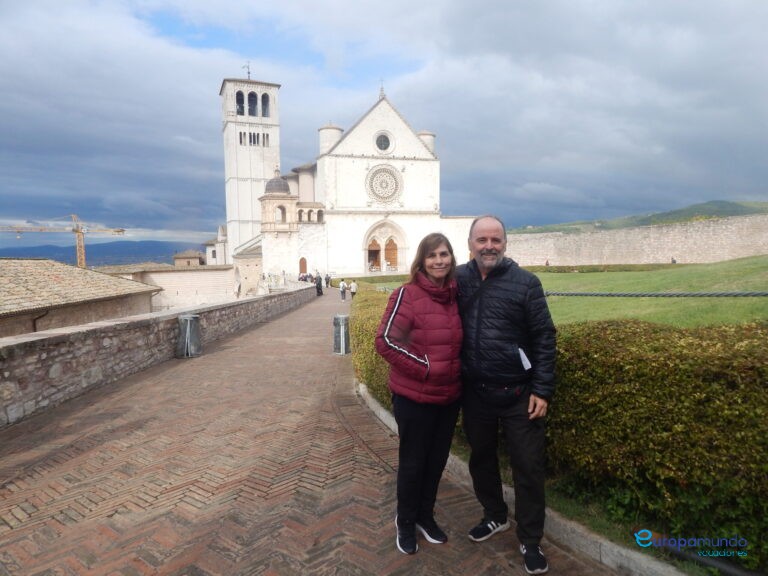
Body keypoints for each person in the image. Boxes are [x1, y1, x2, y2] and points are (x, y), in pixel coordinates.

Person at [456, 215, 556, 575]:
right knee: (481, 460)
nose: (489, 246)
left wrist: (542, 389)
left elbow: (545, 337)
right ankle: (494, 516)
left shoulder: (526, 283)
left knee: (528, 468)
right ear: (470, 243)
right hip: (476, 392)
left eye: (495, 240)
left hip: (518, 393)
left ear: (505, 244)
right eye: (482, 240)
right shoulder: (458, 280)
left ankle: (530, 540)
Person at [375, 233, 463, 555]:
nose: (439, 261)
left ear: (452, 258)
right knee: (413, 463)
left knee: (436, 462)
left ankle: (426, 516)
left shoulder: (455, 296)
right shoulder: (407, 294)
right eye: (432, 256)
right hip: (414, 399)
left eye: (444, 254)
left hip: (448, 398)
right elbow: (385, 340)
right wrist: (425, 368)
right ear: (421, 261)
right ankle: (406, 521)